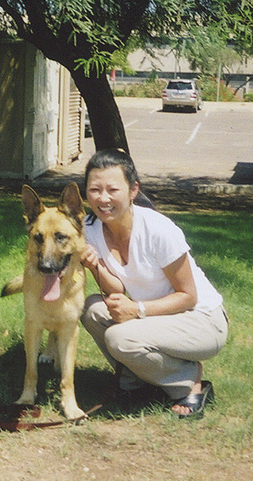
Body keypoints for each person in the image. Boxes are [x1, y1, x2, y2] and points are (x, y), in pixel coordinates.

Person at [79, 149, 228, 418]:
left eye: (113, 189)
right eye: (94, 190)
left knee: (118, 336)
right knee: (92, 309)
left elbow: (188, 296)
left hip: (202, 320)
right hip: (157, 317)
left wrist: (136, 311)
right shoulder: (91, 227)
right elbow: (116, 290)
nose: (103, 199)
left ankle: (190, 382)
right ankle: (137, 384)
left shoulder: (159, 229)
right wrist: (94, 265)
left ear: (133, 190)